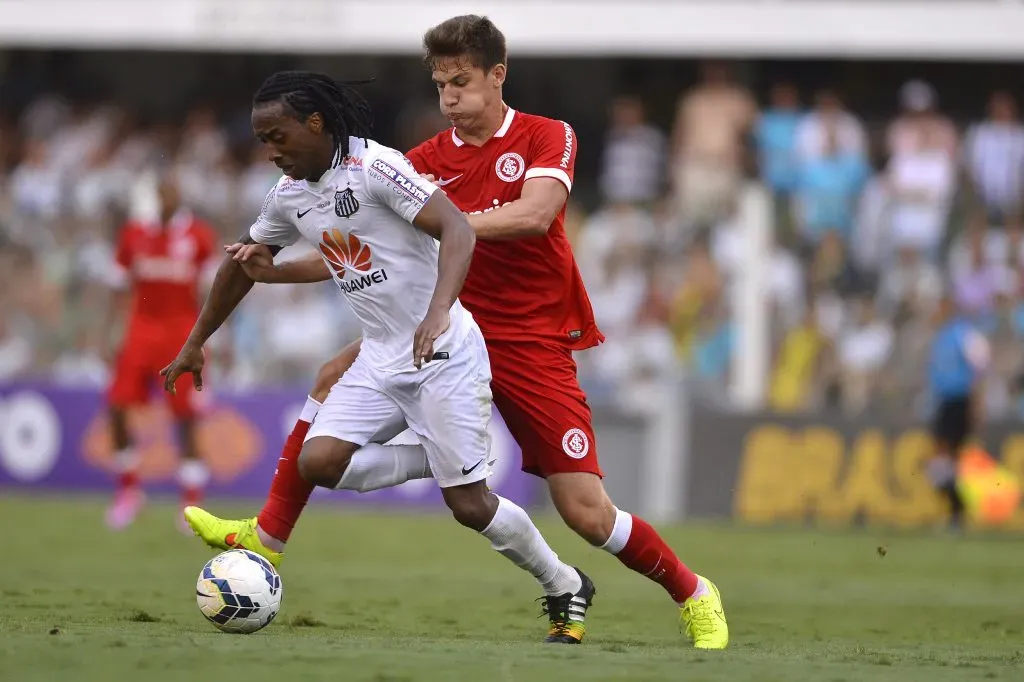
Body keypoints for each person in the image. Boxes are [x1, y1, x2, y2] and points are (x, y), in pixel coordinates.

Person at [178, 16, 728, 649]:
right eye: (440, 86)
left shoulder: (547, 136)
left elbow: (537, 213)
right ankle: (267, 533)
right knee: (331, 380)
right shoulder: (421, 161)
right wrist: (278, 271)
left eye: (462, 83)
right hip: (436, 317)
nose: (450, 99)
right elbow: (362, 249)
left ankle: (693, 591)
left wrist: (441, 220)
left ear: (497, 75)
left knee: (585, 512)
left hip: (527, 337)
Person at [160, 70, 596, 644]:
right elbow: (244, 264)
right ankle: (442, 457)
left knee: (469, 505)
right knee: (318, 463)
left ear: (315, 124)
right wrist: (197, 341)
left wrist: (440, 311)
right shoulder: (290, 197)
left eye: (278, 137)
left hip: (442, 352)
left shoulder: (377, 169)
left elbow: (457, 230)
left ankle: (564, 582)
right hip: (381, 356)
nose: (270, 152)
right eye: (263, 141)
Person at [105, 173, 216, 531]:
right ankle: (128, 491)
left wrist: (213, 339)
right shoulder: (134, 234)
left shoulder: (198, 237)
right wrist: (108, 335)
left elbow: (215, 292)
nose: (165, 197)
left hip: (182, 334)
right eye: (159, 192)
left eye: (170, 191)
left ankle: (191, 503)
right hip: (140, 329)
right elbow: (118, 287)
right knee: (117, 407)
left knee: (185, 418)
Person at [926, 293, 990, 528]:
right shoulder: (940, 337)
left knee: (950, 457)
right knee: (944, 459)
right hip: (944, 402)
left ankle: (958, 512)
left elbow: (980, 367)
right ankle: (957, 511)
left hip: (959, 401)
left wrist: (977, 403)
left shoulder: (964, 334)